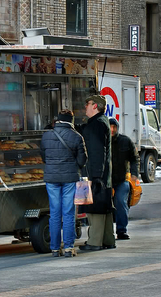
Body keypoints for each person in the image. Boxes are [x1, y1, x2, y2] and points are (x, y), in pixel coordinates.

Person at [40, 109, 87, 257]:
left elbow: (44, 156)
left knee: (54, 213)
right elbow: (82, 160)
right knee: (68, 213)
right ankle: (68, 247)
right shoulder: (77, 137)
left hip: (52, 179)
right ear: (71, 121)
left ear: (58, 120)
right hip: (69, 179)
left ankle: (54, 248)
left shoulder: (46, 136)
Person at [77, 95, 116, 251]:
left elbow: (96, 152)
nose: (85, 106)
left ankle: (94, 242)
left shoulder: (96, 125)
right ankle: (108, 239)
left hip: (94, 174)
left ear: (95, 106)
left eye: (87, 103)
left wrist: (96, 177)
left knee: (95, 209)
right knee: (105, 207)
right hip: (103, 175)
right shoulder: (101, 122)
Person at [109, 118, 140, 240]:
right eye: (110, 127)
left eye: (114, 127)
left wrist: (134, 173)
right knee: (104, 205)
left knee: (121, 203)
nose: (112, 130)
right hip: (105, 179)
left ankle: (121, 230)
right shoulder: (103, 141)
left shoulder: (125, 141)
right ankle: (105, 233)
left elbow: (134, 158)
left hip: (122, 179)